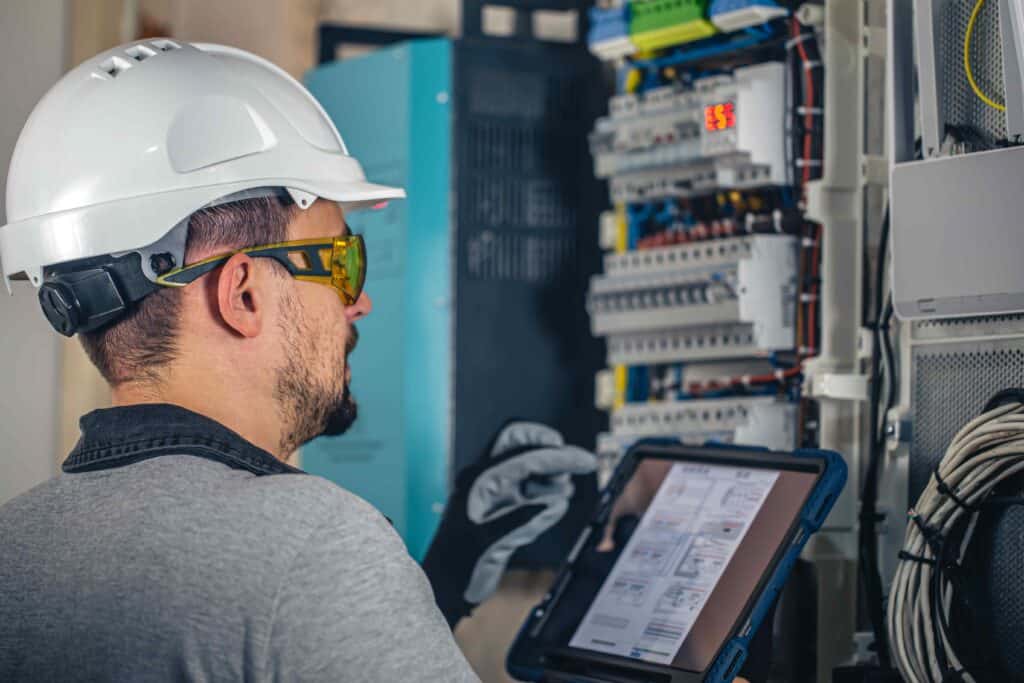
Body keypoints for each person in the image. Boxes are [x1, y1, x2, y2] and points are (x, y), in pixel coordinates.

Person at [0, 39, 597, 681]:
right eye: (341, 264)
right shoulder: (314, 543)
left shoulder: (17, 544)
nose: (360, 303)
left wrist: (439, 583)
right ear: (245, 294)